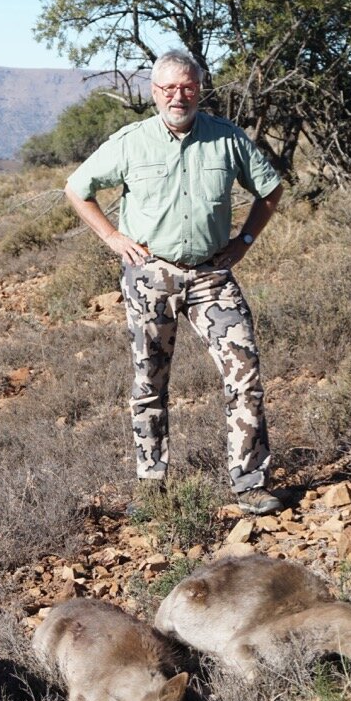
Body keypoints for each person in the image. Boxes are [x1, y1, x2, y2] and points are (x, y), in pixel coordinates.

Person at [64, 49, 284, 516]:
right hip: (150, 275)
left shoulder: (227, 139)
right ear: (153, 92)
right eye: (168, 88)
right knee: (150, 380)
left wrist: (243, 240)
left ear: (199, 89)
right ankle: (152, 481)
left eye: (186, 87)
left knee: (245, 373)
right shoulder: (130, 141)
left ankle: (249, 482)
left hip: (212, 276)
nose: (177, 96)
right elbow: (77, 188)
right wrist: (113, 237)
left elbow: (270, 189)